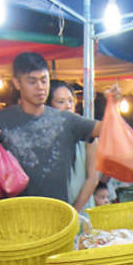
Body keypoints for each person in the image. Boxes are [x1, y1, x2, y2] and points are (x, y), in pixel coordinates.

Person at [0, 52, 108, 203]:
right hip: (15, 215)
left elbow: (106, 129)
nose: (40, 87)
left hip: (58, 216)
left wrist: (112, 104)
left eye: (44, 80)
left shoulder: (66, 120)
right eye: (32, 81)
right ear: (16, 82)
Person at [47, 80, 98, 212]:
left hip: (81, 209)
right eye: (61, 102)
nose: (68, 106)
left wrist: (74, 211)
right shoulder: (44, 138)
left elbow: (92, 179)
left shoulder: (88, 134)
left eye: (70, 101)